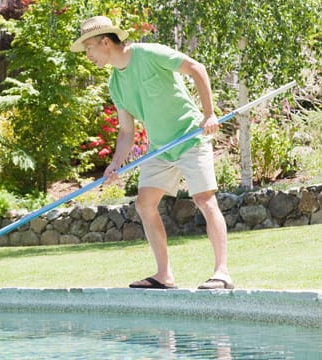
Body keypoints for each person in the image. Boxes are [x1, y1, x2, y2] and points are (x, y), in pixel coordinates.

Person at [70, 16, 234, 290]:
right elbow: (126, 132)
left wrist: (209, 114)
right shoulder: (116, 84)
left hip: (189, 136)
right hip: (160, 148)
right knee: (144, 204)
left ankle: (222, 273)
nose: (87, 56)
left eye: (89, 49)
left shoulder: (150, 54)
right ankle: (164, 275)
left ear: (105, 42)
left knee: (204, 199)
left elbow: (196, 68)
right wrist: (114, 165)